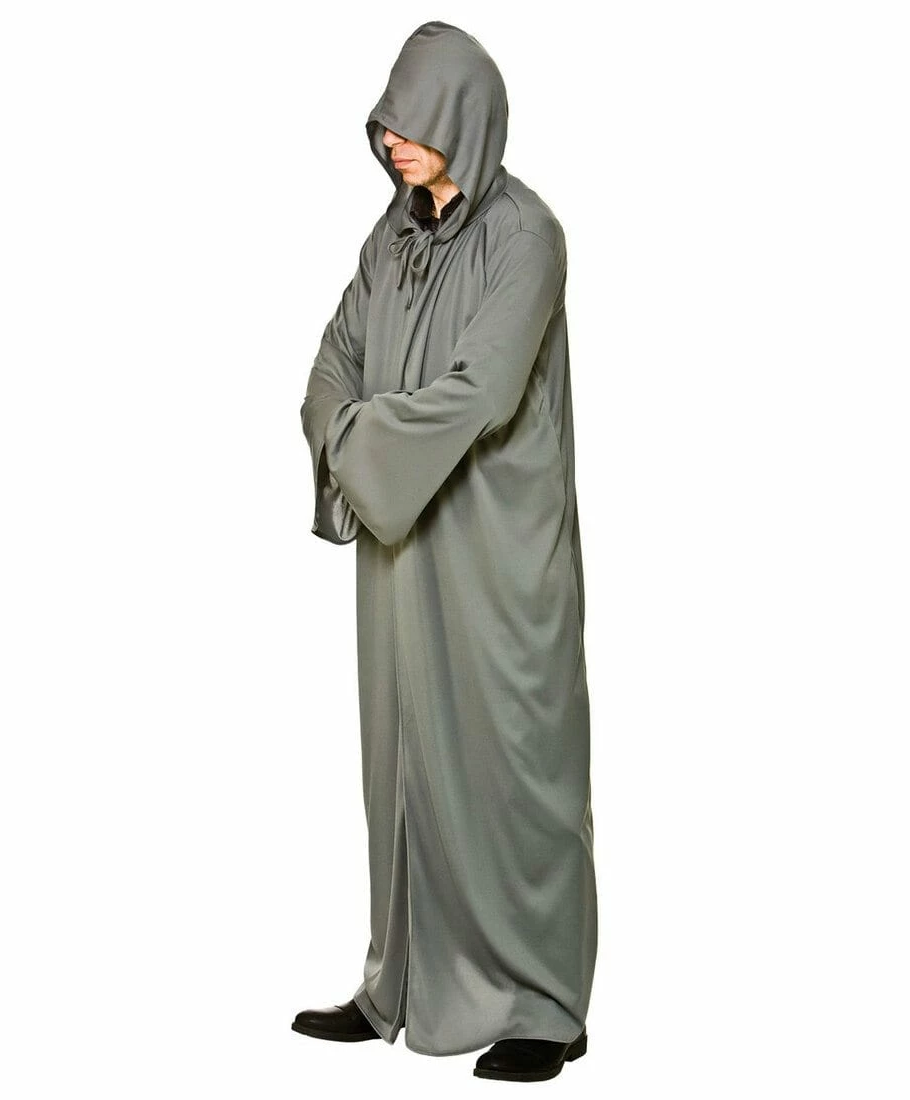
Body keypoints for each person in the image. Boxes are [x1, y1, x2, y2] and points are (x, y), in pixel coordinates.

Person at [294, 21, 598, 1083]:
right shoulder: (389, 239)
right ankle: (400, 981)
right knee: (404, 754)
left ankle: (543, 1004)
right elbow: (331, 361)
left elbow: (484, 389)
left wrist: (352, 445)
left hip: (493, 550)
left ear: (465, 119)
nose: (394, 141)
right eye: (386, 123)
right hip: (401, 547)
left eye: (413, 122)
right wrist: (344, 429)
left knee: (511, 756)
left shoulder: (526, 236)